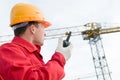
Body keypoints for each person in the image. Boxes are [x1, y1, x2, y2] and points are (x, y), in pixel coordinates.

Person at [0, 3, 73, 80]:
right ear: (33, 29)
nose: (45, 33)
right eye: (43, 27)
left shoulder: (32, 55)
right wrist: (60, 58)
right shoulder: (8, 50)